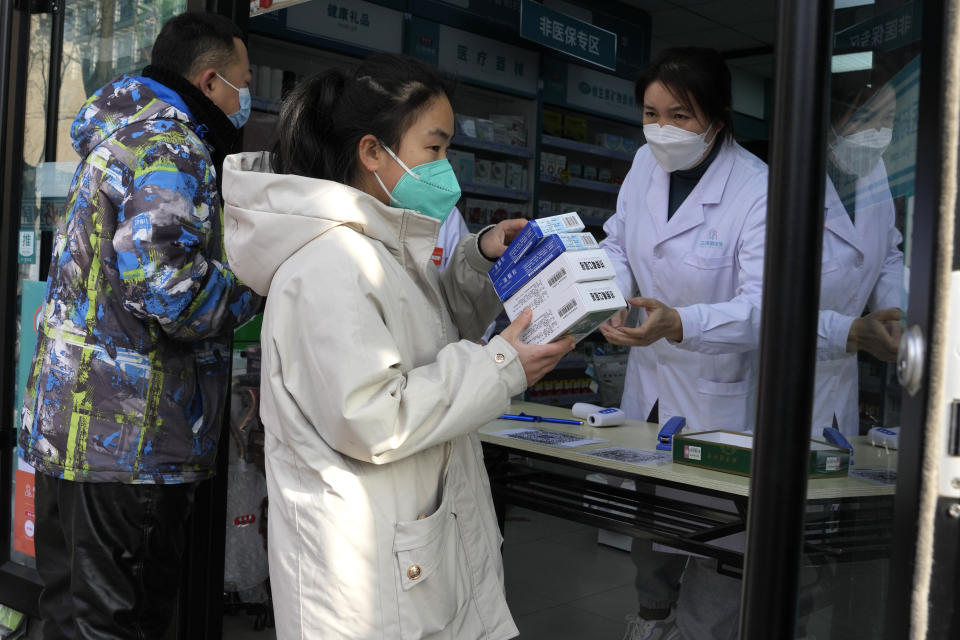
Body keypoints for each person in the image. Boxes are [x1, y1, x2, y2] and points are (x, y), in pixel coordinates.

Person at [221, 53, 573, 639]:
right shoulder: (330, 265)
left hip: (402, 556)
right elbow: (373, 415)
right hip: (365, 579)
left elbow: (426, 334)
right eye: (433, 149)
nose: (446, 168)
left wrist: (482, 256)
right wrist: (501, 365)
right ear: (372, 153)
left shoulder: (379, 245)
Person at [18, 12, 260, 639]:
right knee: (121, 624)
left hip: (75, 435)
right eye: (243, 82)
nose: (246, 97)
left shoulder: (118, 136)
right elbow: (166, 288)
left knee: (70, 616)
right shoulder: (171, 147)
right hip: (132, 444)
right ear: (210, 82)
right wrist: (256, 288)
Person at [599, 47, 768, 640]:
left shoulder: (756, 188)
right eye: (651, 112)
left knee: (717, 544)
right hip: (649, 387)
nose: (662, 129)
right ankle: (651, 622)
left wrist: (680, 323)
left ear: (717, 119)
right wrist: (608, 295)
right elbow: (617, 243)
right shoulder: (645, 164)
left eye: (680, 114)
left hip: (717, 395)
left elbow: (764, 306)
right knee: (653, 532)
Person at [813, 78, 903, 437]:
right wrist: (850, 332)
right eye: (868, 118)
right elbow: (761, 305)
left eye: (889, 119)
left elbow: (887, 254)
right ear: (834, 117)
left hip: (841, 382)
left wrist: (896, 313)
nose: (879, 132)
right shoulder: (786, 181)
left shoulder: (875, 171)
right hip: (781, 378)